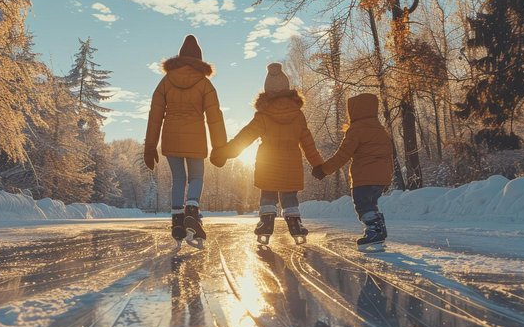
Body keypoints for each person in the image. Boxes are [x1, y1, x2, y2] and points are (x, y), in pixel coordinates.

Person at [212, 63, 322, 244]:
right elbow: (308, 142)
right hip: (291, 164)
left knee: (268, 195)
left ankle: (266, 223)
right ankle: (295, 225)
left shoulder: (263, 115)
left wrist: (224, 152)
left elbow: (245, 137)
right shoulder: (297, 115)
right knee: (289, 196)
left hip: (267, 163)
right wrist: (317, 164)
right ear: (287, 88)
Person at [144, 35, 226, 248]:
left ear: (180, 57)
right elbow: (215, 116)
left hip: (170, 139)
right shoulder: (204, 83)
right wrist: (220, 146)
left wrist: (150, 146)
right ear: (199, 59)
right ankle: (192, 211)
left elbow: (155, 114)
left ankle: (177, 222)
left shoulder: (165, 81)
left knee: (178, 178)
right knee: (196, 176)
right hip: (196, 139)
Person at [312, 93, 393, 252]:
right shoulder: (381, 129)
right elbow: (388, 154)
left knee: (362, 203)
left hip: (364, 176)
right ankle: (376, 230)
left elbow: (343, 154)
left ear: (353, 111)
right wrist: (387, 177)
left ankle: (375, 231)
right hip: (381, 176)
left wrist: (324, 169)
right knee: (371, 204)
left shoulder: (356, 130)